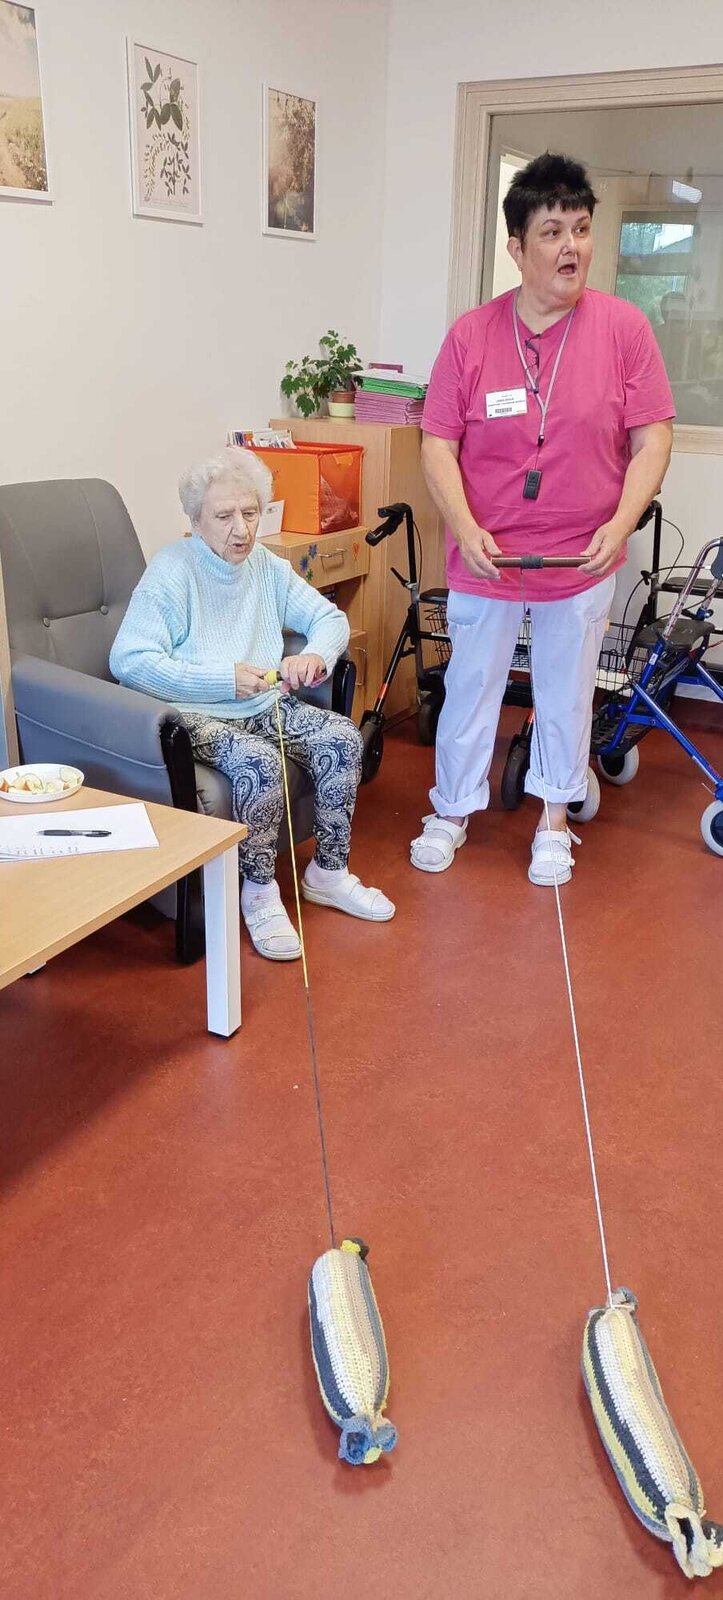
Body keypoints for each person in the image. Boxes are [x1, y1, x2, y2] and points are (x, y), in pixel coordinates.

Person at [411, 152, 674, 887]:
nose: (571, 247)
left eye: (581, 229)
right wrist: (464, 526)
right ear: (516, 247)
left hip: (580, 555)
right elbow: (437, 443)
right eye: (552, 232)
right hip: (485, 555)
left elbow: (653, 437)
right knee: (470, 688)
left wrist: (621, 523)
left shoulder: (624, 329)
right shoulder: (471, 335)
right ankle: (450, 811)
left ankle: (554, 820)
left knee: (566, 691)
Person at [110, 446, 394, 959]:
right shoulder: (172, 571)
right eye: (224, 516)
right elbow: (129, 660)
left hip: (262, 704)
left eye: (250, 512)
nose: (241, 530)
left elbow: (329, 619)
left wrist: (314, 655)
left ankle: (328, 873)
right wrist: (222, 680)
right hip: (195, 712)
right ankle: (259, 893)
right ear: (196, 519)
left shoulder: (266, 566)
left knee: (343, 738)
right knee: (260, 765)